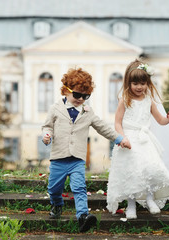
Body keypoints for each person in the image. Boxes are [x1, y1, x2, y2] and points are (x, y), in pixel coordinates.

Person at [42, 68, 131, 232]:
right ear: (66, 91)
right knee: (54, 189)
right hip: (58, 158)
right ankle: (57, 204)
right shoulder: (55, 108)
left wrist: (119, 139)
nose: (81, 99)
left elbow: (103, 128)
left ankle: (83, 216)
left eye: (85, 96)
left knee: (79, 188)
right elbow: (48, 126)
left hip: (77, 159)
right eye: (77, 95)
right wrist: (47, 135)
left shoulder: (88, 112)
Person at [106, 59, 169, 219]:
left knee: (150, 168)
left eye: (143, 83)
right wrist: (122, 138)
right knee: (132, 171)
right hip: (129, 140)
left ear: (148, 83)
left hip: (145, 139)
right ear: (129, 83)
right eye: (135, 83)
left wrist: (168, 119)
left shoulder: (149, 100)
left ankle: (150, 198)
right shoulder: (125, 100)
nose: (139, 87)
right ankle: (131, 205)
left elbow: (160, 120)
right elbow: (117, 122)